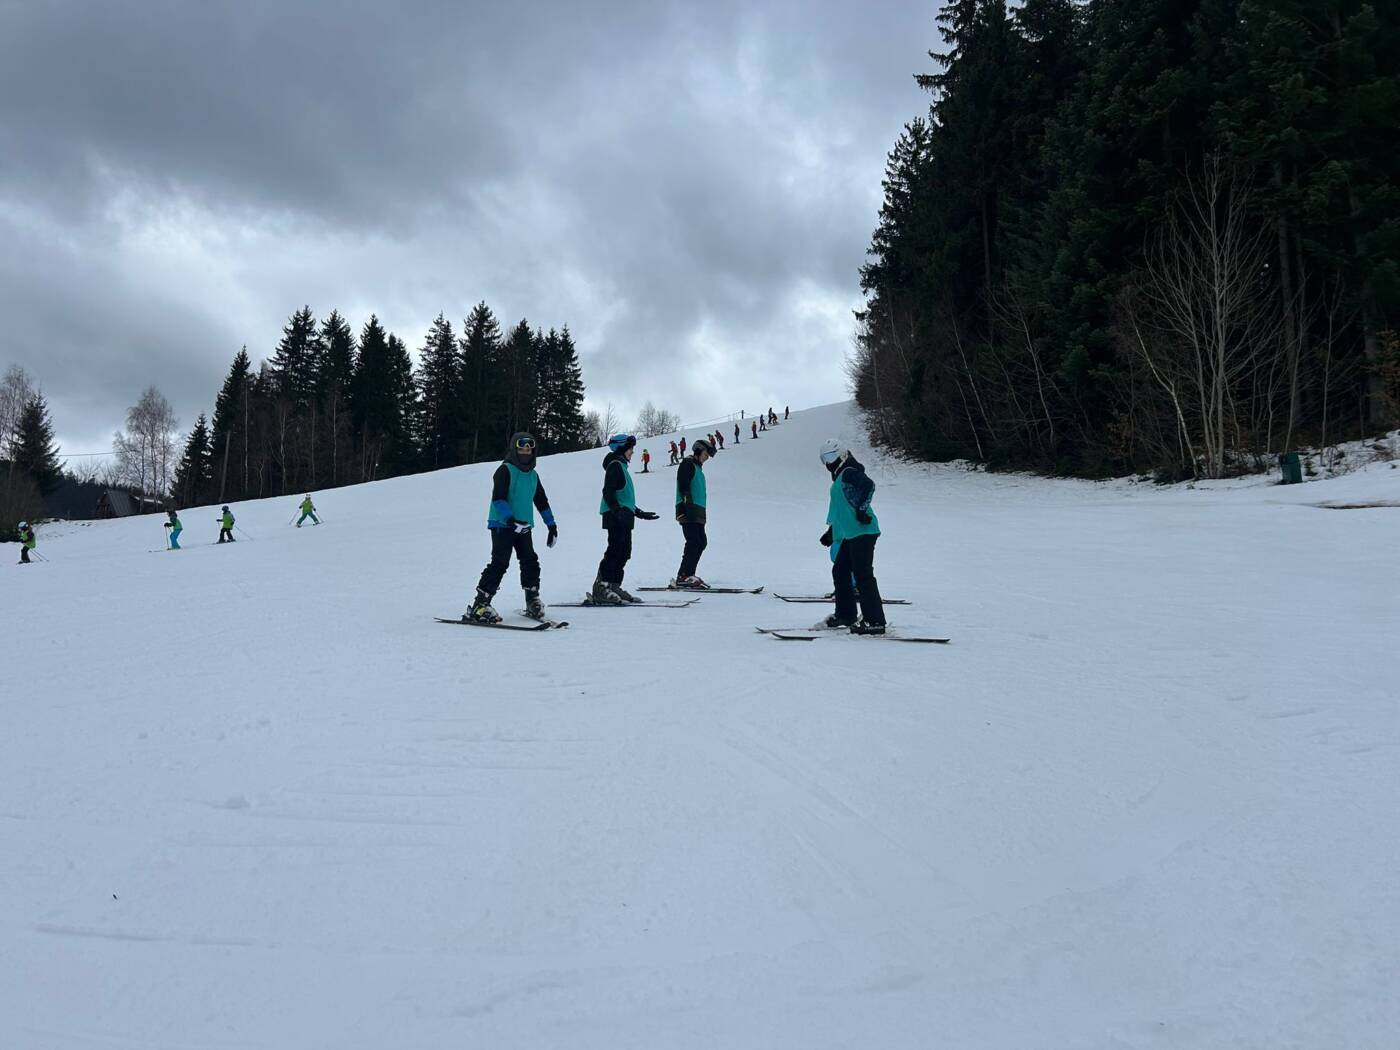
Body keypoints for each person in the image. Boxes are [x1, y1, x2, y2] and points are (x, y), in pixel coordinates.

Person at [468, 432, 557, 623]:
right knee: (500, 562)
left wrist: (551, 525)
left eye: (529, 450)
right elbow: (498, 499)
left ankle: (532, 599)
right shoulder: (504, 470)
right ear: (514, 450)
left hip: (523, 526)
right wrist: (510, 521)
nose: (525, 453)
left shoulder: (533, 475)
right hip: (502, 524)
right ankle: (480, 605)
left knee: (530, 560)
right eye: (521, 449)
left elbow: (541, 501)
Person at [818, 439, 885, 634]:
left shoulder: (848, 472)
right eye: (824, 459)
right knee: (840, 571)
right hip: (851, 533)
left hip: (864, 531)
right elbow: (842, 510)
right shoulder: (840, 476)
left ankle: (875, 621)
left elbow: (868, 486)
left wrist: (862, 511)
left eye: (831, 456)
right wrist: (831, 534)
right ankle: (846, 615)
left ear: (841, 454)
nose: (828, 462)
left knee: (863, 574)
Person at [593, 434, 658, 604]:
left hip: (624, 515)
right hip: (614, 515)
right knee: (615, 549)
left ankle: (614, 585)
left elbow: (625, 498)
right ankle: (602, 586)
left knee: (624, 551)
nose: (633, 452)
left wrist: (639, 512)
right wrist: (617, 510)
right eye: (630, 449)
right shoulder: (615, 465)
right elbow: (608, 491)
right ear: (622, 449)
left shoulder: (621, 467)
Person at [673, 438, 714, 588]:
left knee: (701, 542)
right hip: (688, 508)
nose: (707, 457)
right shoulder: (687, 464)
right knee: (694, 541)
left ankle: (689, 574)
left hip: (698, 511)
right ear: (698, 451)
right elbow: (683, 485)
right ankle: (683, 575)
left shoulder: (698, 468)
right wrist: (687, 504)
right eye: (706, 453)